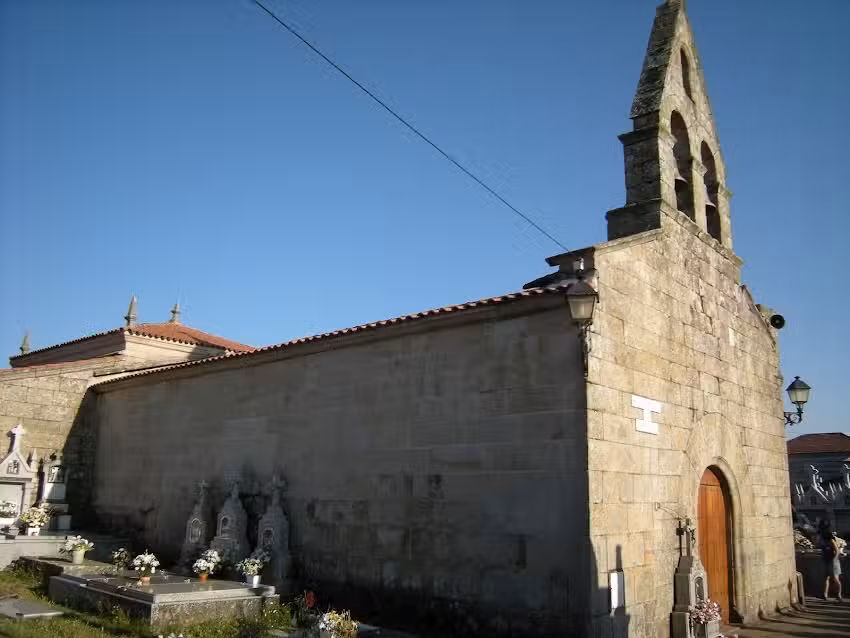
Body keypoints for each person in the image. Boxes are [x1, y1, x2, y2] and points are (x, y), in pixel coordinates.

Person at [820, 522, 843, 601]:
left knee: (836, 579)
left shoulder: (832, 541)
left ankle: (839, 594)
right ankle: (825, 594)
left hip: (833, 562)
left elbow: (837, 551)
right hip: (826, 561)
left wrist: (834, 560)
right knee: (826, 578)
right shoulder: (824, 542)